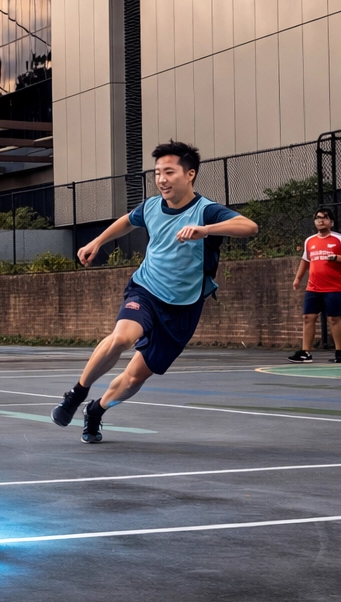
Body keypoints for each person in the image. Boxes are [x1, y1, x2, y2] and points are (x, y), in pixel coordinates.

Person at [51, 140, 258, 443]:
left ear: (190, 174)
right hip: (146, 289)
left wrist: (206, 230)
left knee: (135, 377)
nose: (161, 179)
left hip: (184, 306)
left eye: (169, 172)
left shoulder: (207, 211)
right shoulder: (150, 206)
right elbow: (127, 221)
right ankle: (77, 393)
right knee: (122, 337)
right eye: (158, 173)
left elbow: (249, 226)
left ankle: (96, 410)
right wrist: (97, 242)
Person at [288, 208, 341, 364]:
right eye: (318, 218)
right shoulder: (310, 241)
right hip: (313, 287)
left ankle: (339, 353)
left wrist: (337, 258)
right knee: (308, 317)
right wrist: (298, 278)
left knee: (333, 319)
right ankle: (306, 353)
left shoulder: (340, 240)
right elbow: (306, 260)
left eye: (325, 218)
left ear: (331, 222)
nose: (321, 220)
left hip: (334, 287)